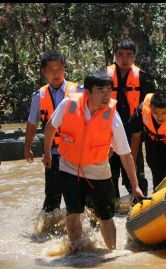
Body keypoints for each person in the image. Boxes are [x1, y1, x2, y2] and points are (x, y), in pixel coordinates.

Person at [41, 71, 144, 250]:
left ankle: (112, 253)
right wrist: (47, 153)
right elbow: (50, 127)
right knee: (73, 214)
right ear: (87, 93)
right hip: (69, 168)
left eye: (108, 90)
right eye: (100, 91)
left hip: (99, 172)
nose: (106, 95)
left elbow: (125, 154)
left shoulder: (113, 116)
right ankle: (76, 254)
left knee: (106, 216)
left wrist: (135, 185)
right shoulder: (68, 104)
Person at [24, 50, 82, 233]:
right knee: (52, 196)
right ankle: (47, 232)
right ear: (44, 72)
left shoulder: (78, 92)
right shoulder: (38, 97)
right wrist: (27, 147)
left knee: (81, 194)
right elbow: (32, 124)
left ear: (65, 69)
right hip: (53, 153)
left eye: (59, 69)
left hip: (76, 153)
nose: (56, 73)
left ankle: (85, 228)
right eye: (51, 70)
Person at [106, 37, 155, 197]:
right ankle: (111, 208)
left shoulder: (142, 76)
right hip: (109, 129)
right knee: (111, 172)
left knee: (134, 168)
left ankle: (140, 205)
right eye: (120, 55)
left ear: (134, 57)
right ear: (115, 55)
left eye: (128, 55)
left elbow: (149, 104)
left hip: (134, 130)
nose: (124, 59)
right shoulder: (104, 75)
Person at [129, 91, 166, 193]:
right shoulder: (141, 111)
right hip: (152, 146)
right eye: (156, 113)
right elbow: (136, 137)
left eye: (164, 113)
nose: (160, 117)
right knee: (157, 175)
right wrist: (133, 162)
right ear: (151, 107)